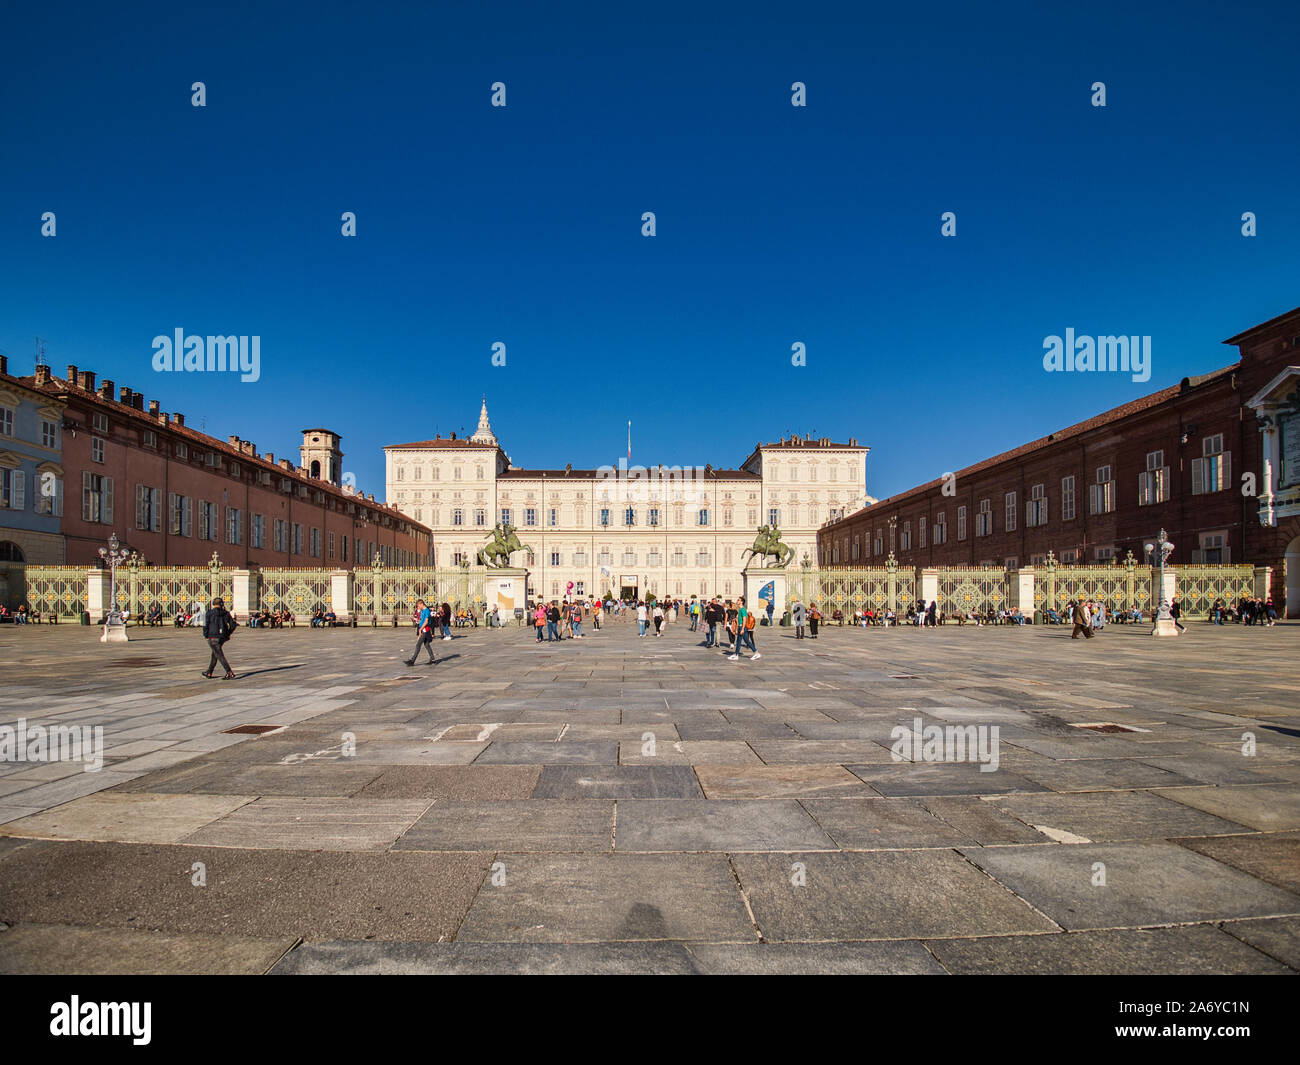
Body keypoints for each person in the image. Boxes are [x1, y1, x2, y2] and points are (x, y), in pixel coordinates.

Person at [202, 597, 238, 679]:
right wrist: (228, 633)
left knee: (219, 655)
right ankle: (209, 672)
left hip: (213, 636)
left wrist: (205, 635)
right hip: (222, 637)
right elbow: (233, 624)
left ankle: (229, 672)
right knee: (215, 654)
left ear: (213, 604)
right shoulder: (225, 613)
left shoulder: (209, 613)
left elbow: (205, 625)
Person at [404, 599, 437, 666]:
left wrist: (420, 629)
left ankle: (412, 661)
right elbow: (423, 620)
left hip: (425, 629)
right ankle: (432, 659)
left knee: (418, 645)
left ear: (422, 604)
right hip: (423, 628)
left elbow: (426, 621)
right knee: (426, 645)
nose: (418, 607)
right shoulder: (423, 611)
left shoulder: (427, 611)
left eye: (418, 605)